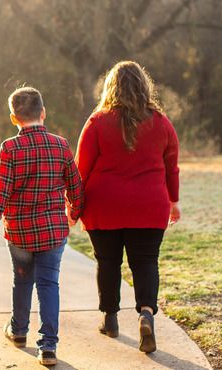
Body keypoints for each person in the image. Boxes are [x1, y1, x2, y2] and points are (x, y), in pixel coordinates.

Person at [74, 61, 181, 353]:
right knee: (145, 262)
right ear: (144, 86)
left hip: (104, 205)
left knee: (108, 262)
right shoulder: (161, 123)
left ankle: (110, 318)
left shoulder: (97, 122)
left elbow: (80, 170)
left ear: (111, 87)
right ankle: (146, 313)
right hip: (149, 206)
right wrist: (173, 202)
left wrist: (75, 206)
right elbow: (171, 168)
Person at [0, 87, 83, 366]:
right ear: (43, 113)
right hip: (52, 231)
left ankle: (19, 330)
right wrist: (75, 210)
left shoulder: (10, 149)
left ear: (14, 118)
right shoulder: (60, 145)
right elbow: (76, 186)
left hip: (20, 232)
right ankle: (48, 346)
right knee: (49, 283)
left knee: (22, 280)